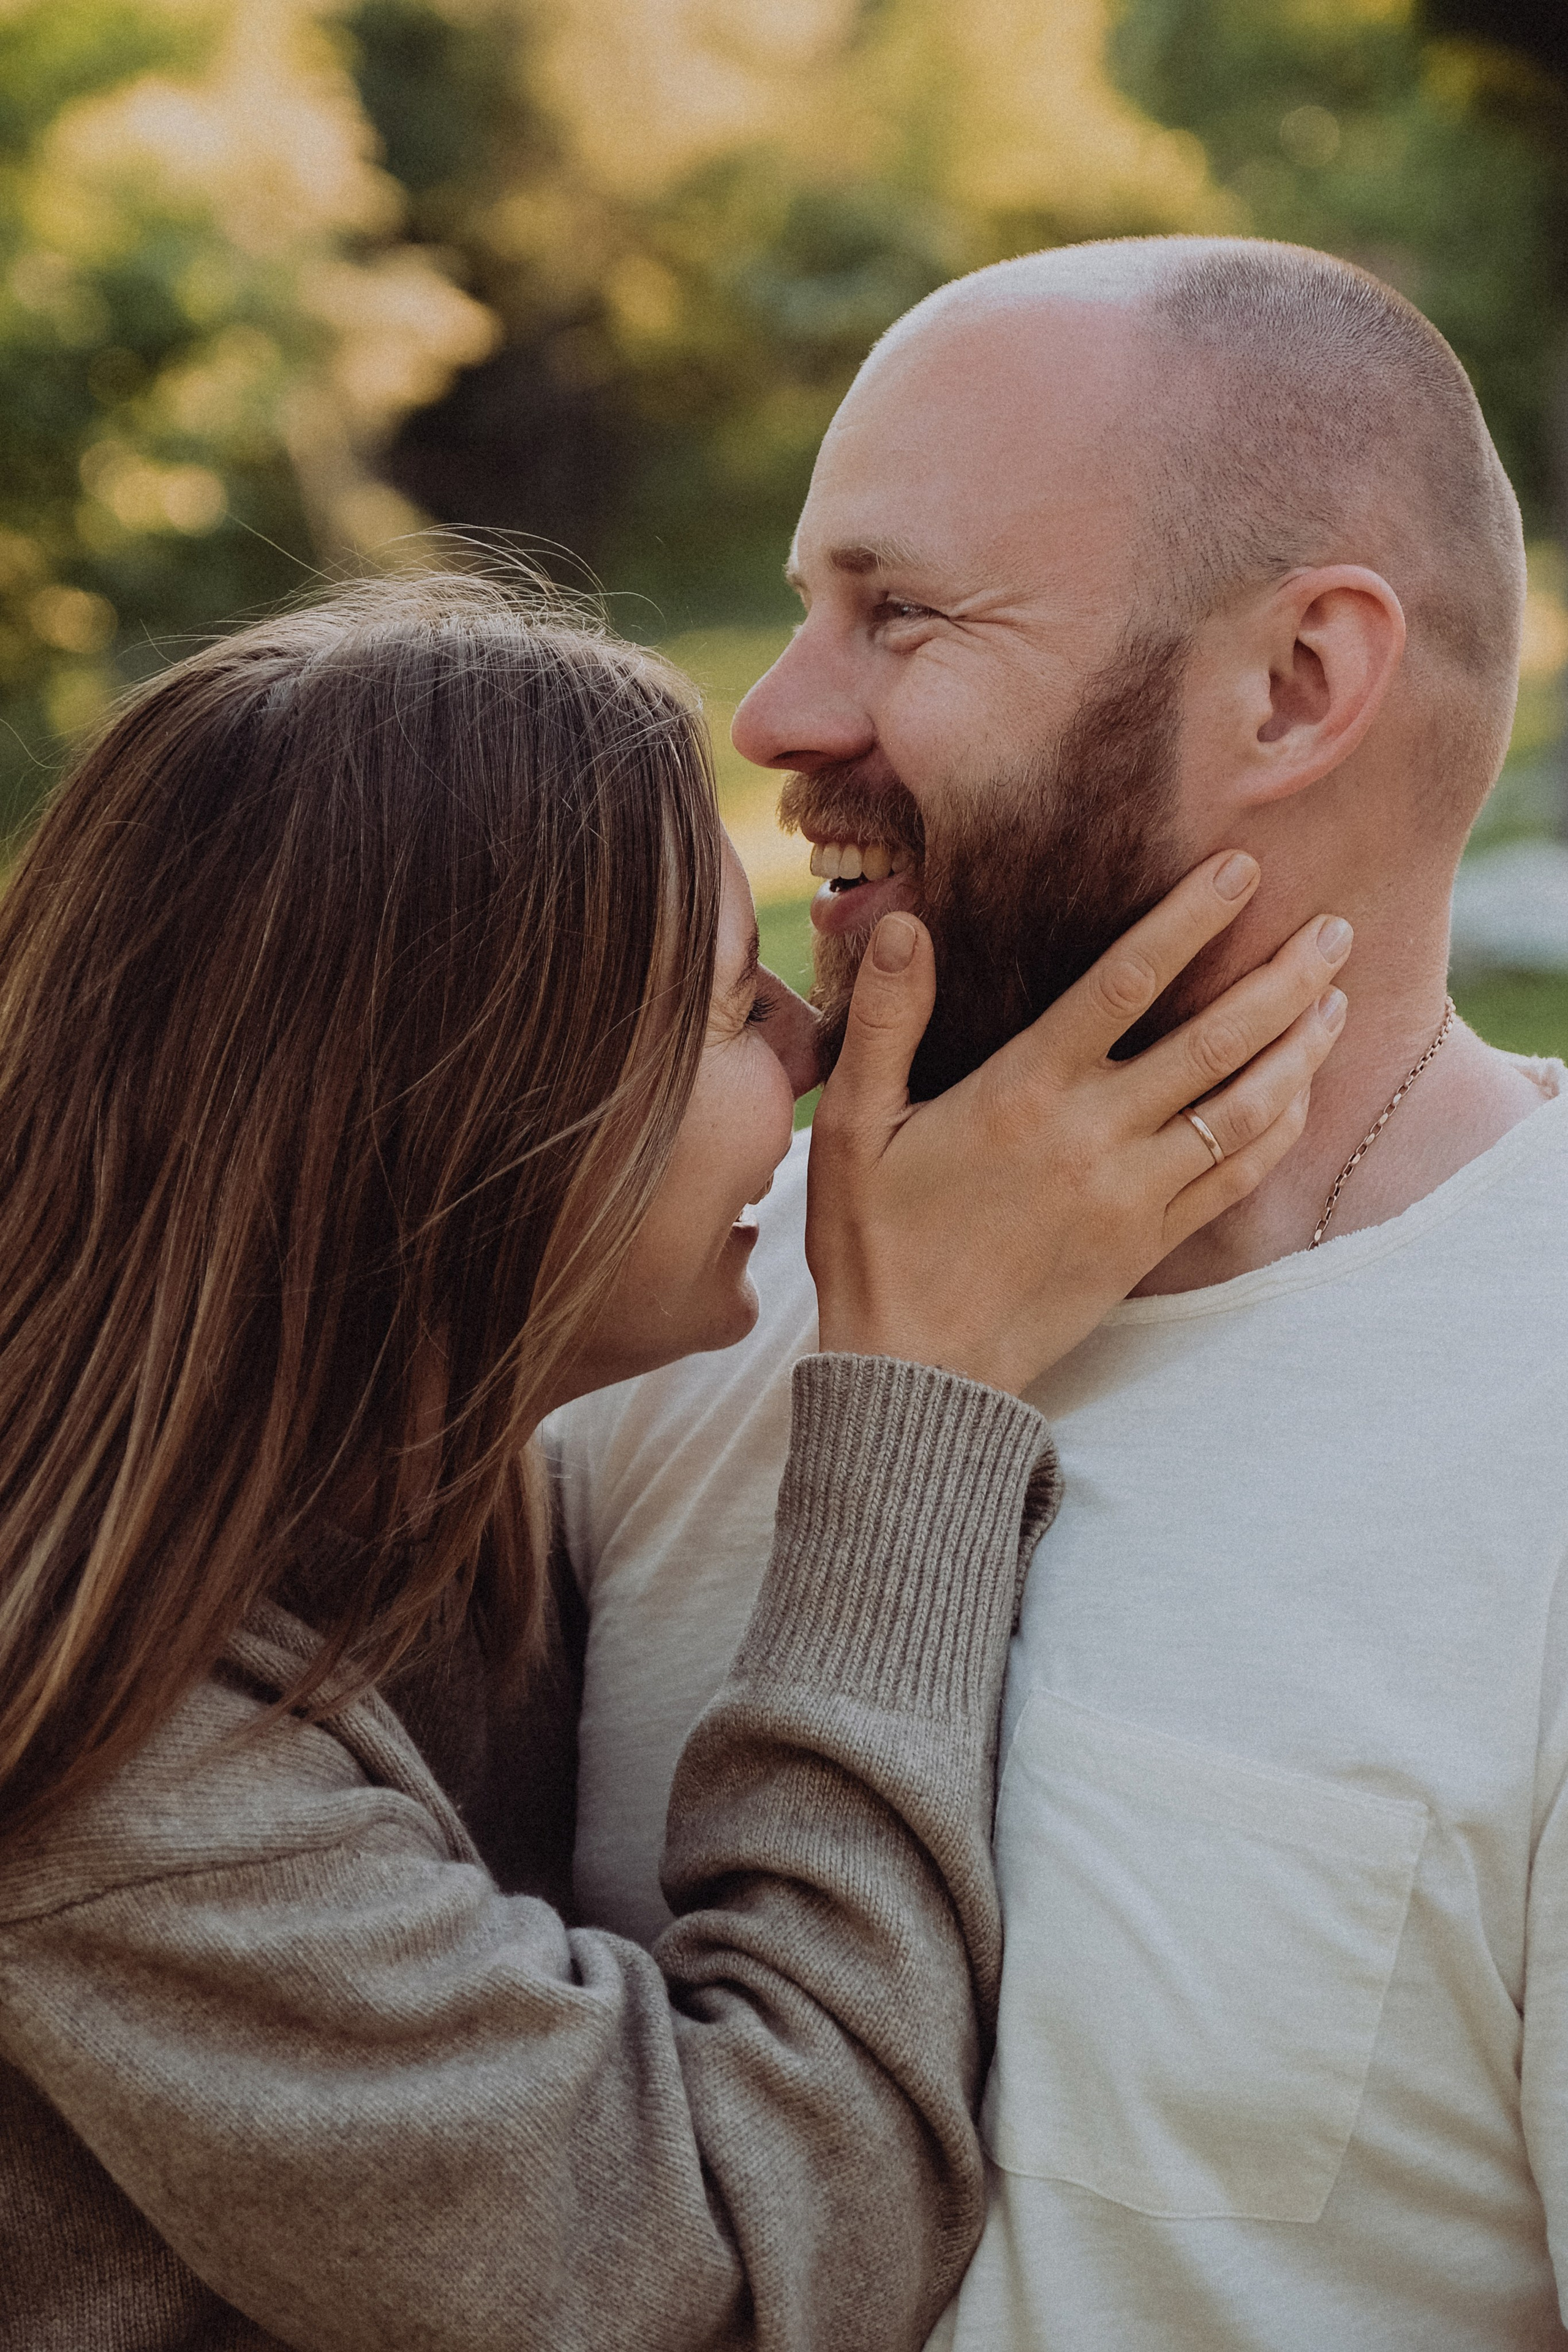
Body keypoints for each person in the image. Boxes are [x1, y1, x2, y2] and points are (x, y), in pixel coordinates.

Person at [0, 572, 1342, 2351]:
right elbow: (749, 2256)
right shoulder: (105, 1759)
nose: (806, 1050)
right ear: (465, 1122)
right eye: (727, 1007)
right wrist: (916, 1396)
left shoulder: (426, 1494)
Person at [548, 238, 1568, 2350]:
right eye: (812, 599)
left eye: (900, 614)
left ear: (1296, 684)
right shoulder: (652, 1299)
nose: (776, 713)